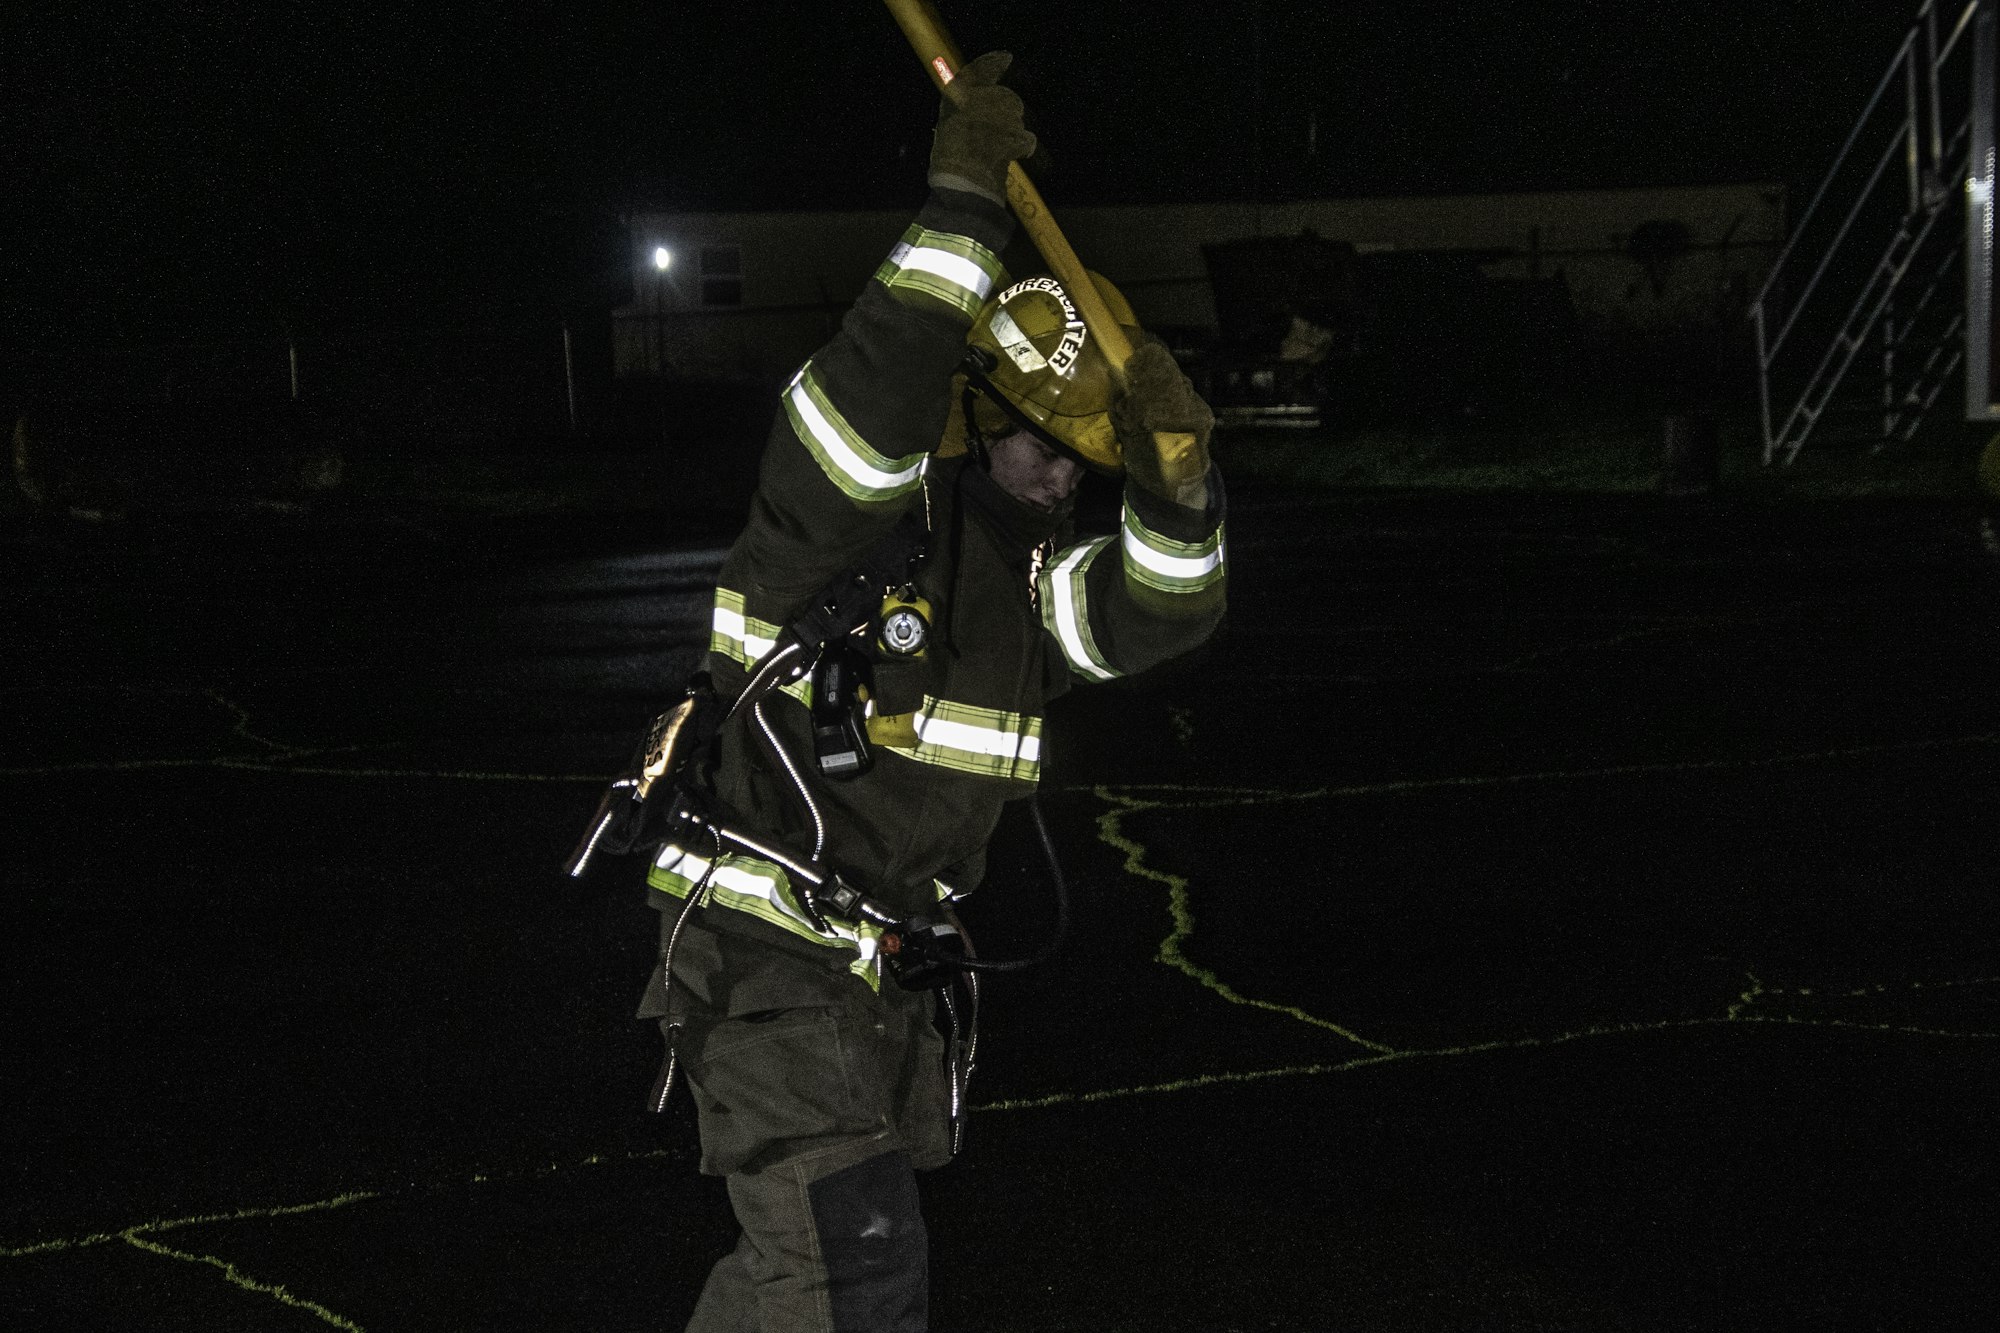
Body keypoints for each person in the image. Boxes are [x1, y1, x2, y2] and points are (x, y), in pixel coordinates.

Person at [636, 51, 1227, 1332]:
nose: (1070, 479)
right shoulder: (838, 522)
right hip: (763, 960)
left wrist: (1177, 488)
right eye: (1045, 447)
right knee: (847, 1270)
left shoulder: (1024, 582)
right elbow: (881, 377)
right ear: (971, 408)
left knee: (809, 1274)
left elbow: (1164, 608)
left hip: (882, 974)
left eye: (1087, 460)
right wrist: (961, 200)